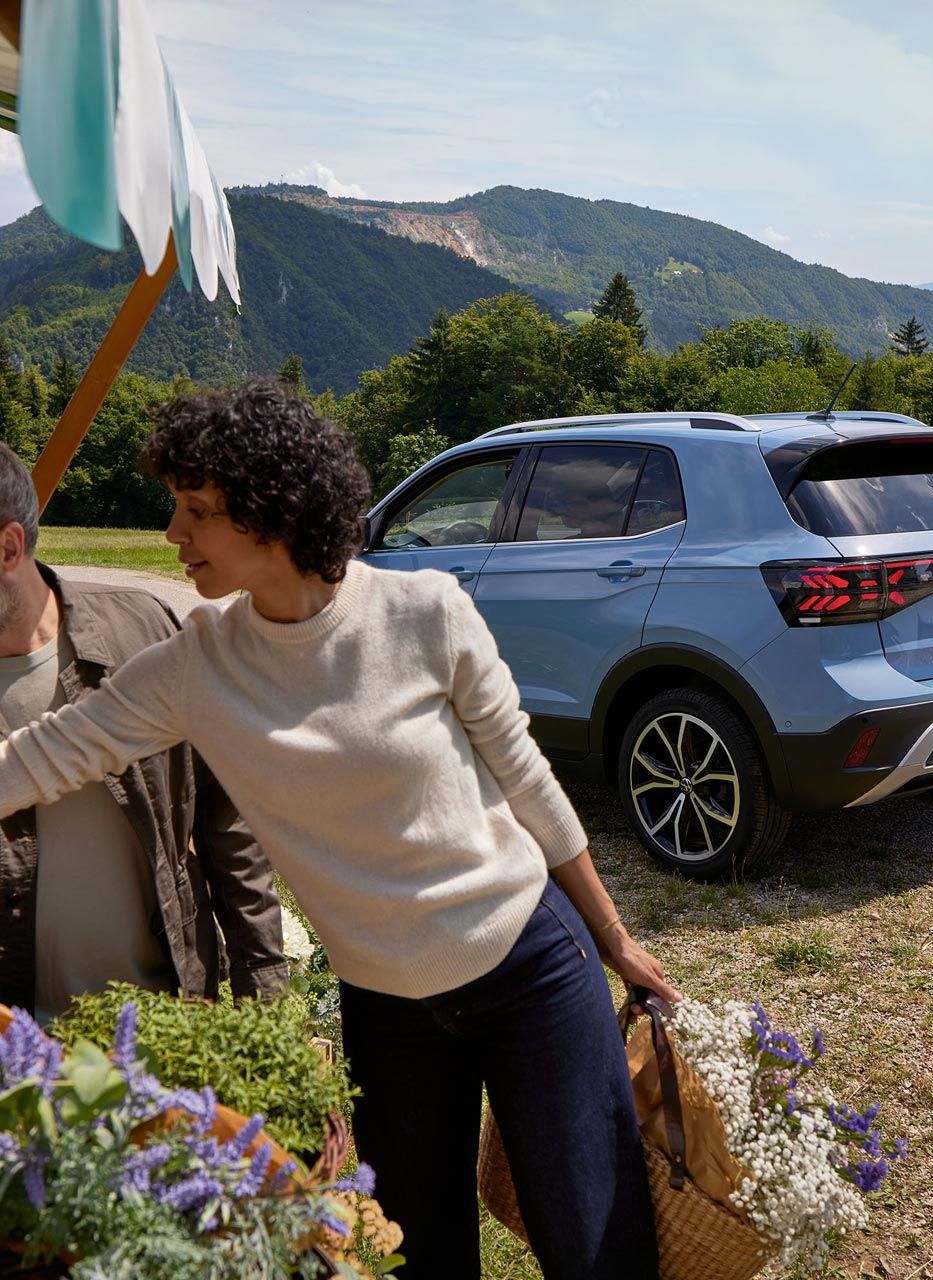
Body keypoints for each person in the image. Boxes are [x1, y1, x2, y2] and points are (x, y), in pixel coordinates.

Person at [0, 381, 677, 1279]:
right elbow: (45, 756)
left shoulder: (427, 611)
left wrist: (615, 938)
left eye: (197, 511)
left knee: (596, 1249)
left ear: (271, 513)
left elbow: (526, 779)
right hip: (387, 1015)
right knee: (416, 1257)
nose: (174, 535)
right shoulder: (196, 666)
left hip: (528, 971)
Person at [0, 444, 287, 1022]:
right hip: (19, 1058)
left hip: (164, 1028)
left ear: (9, 547)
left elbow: (227, 820)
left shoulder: (145, 632)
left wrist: (267, 999)